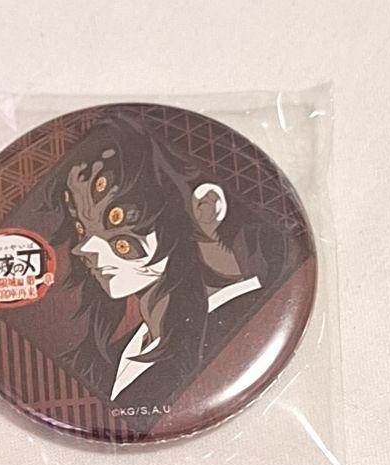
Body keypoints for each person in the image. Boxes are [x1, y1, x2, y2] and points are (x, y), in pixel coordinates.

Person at [49, 114, 291, 416]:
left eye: (117, 221)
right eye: (82, 229)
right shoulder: (122, 350)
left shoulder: (249, 323)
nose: (83, 249)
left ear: (206, 207)